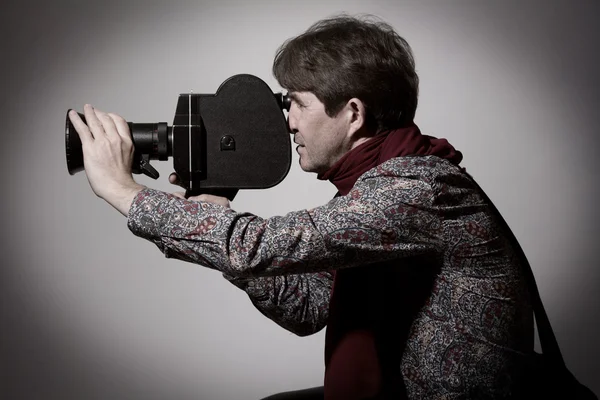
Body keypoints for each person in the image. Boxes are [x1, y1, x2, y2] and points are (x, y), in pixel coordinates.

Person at [69, 14, 535, 400]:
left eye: (296, 103)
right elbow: (306, 307)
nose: (286, 120)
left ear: (352, 113)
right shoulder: (373, 188)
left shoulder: (415, 189)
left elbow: (255, 247)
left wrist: (121, 188)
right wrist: (213, 210)